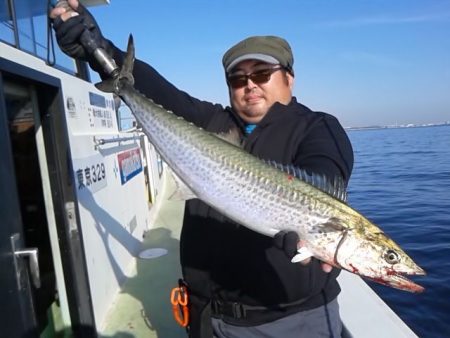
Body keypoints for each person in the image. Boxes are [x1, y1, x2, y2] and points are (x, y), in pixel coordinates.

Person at [50, 1, 354, 337]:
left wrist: (305, 218)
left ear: (289, 78)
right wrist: (100, 49)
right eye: (238, 78)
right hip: (205, 317)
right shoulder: (211, 122)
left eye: (262, 74)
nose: (249, 85)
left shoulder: (317, 128)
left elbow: (325, 172)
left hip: (289, 320)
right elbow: (160, 92)